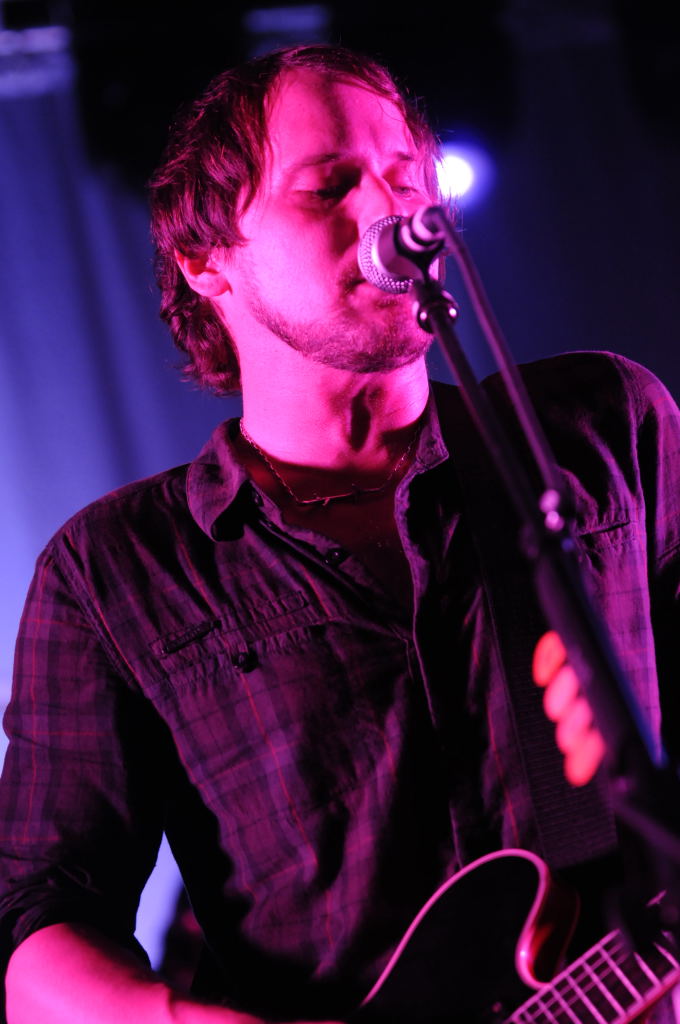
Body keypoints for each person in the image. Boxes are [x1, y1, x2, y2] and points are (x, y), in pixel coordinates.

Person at [1, 41, 679, 1024]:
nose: (390, 214)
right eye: (329, 187)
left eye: (406, 178)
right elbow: (37, 925)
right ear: (204, 260)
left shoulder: (596, 430)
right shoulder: (113, 573)